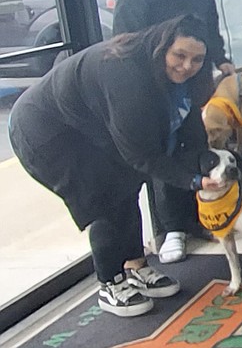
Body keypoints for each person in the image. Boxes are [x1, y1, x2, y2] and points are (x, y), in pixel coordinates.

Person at [10, 16, 217, 317]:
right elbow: (142, 156)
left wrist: (207, 161)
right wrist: (194, 181)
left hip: (89, 128)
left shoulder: (174, 79)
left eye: (197, 59)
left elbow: (188, 124)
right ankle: (110, 283)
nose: (187, 66)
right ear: (162, 48)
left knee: (127, 185)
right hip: (44, 131)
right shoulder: (127, 76)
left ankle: (136, 265)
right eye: (180, 56)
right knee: (104, 199)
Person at [111, 0, 235, 263]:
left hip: (193, 81)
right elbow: (124, 43)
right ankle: (172, 229)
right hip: (153, 87)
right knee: (163, 154)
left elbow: (209, 28)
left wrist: (221, 58)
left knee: (195, 144)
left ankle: (200, 219)